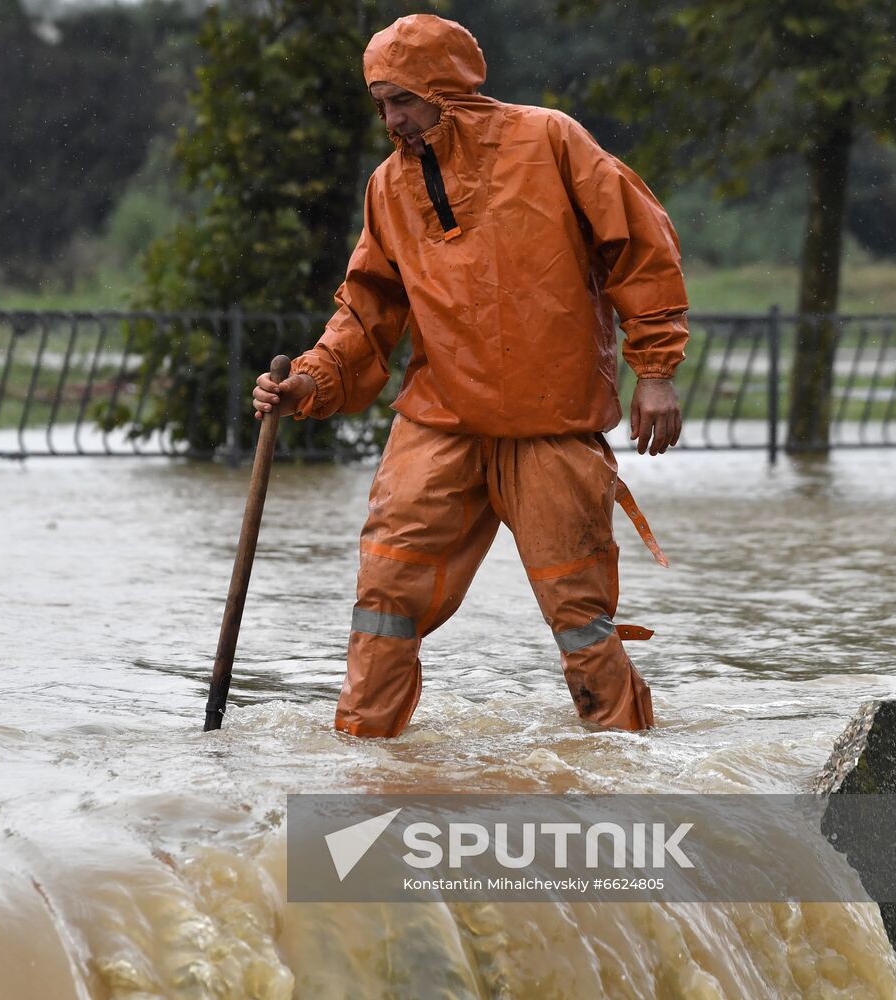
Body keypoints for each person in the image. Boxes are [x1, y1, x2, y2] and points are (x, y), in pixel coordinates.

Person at [252, 14, 689, 738]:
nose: (392, 119)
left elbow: (641, 246)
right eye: (381, 104)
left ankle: (623, 762)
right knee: (385, 595)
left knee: (579, 616)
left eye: (403, 101)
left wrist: (656, 371)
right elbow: (365, 311)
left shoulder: (551, 139)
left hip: (552, 426)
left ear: (445, 90)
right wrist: (308, 380)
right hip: (438, 422)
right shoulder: (387, 186)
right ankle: (363, 762)